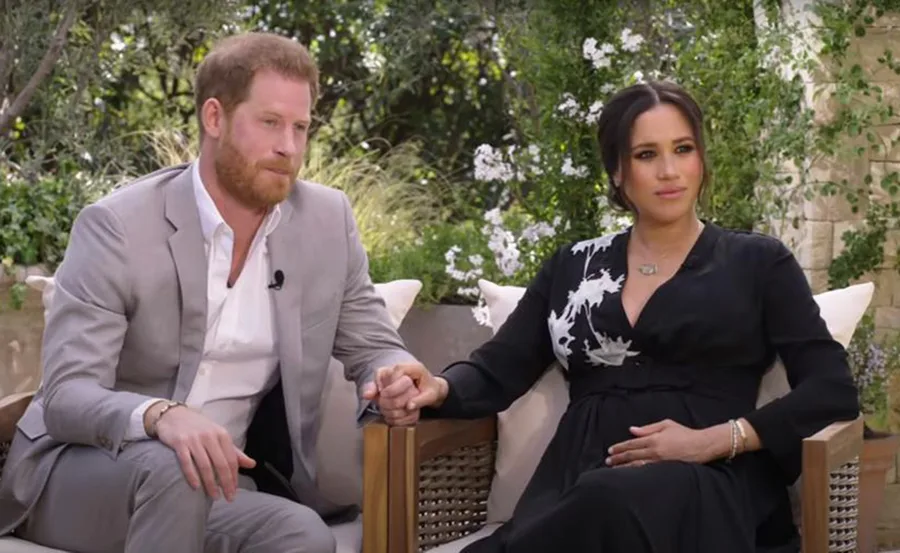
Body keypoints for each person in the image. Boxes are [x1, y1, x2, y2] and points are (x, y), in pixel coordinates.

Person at [374, 80, 860, 552]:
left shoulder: (758, 263)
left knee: (609, 499)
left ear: (701, 159)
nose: (669, 171)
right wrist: (438, 387)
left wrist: (716, 441)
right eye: (647, 155)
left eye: (683, 149)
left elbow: (831, 388)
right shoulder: (573, 266)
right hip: (579, 483)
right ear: (617, 172)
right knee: (599, 499)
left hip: (709, 485)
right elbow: (498, 368)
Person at [0, 32, 423, 553]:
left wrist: (394, 375)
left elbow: (373, 345)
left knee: (305, 537)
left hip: (217, 483)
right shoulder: (118, 226)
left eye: (300, 128)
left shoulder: (327, 221)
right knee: (173, 467)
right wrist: (162, 417)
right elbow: (68, 395)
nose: (289, 147)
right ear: (215, 118)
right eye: (270, 122)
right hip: (83, 475)